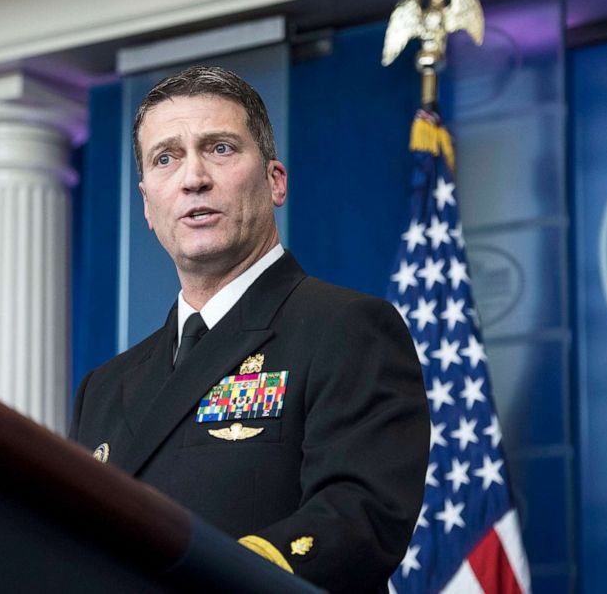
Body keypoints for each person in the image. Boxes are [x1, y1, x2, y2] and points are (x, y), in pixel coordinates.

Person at [70, 66, 428, 593]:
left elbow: (359, 517)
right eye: (165, 158)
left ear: (275, 181)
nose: (193, 177)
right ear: (147, 205)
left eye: (219, 148)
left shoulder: (346, 328)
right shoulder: (104, 388)